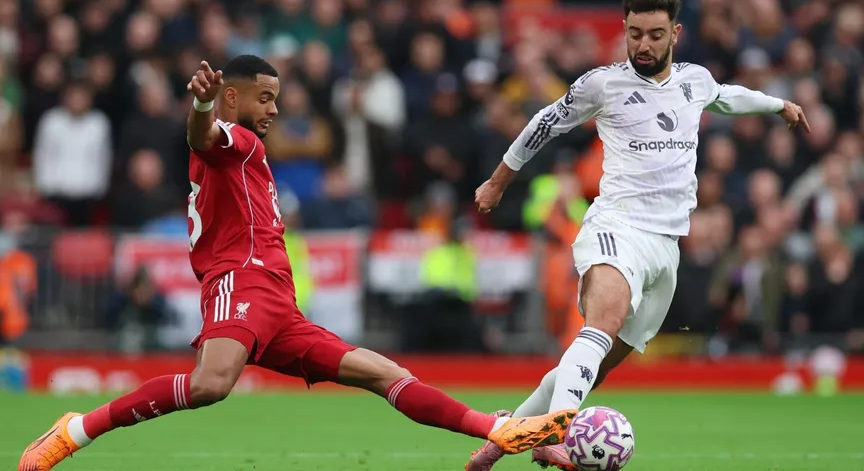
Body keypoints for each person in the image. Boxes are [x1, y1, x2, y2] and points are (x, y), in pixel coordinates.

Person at [19, 55, 573, 471]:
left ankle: (495, 428)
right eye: (265, 98)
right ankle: (75, 430)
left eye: (276, 98)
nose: (275, 109)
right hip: (239, 281)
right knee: (211, 384)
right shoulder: (233, 139)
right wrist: (203, 106)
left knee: (385, 373)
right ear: (232, 98)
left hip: (278, 305)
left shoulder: (246, 149)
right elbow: (202, 134)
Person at [466, 0, 810, 470]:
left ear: (675, 33)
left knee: (594, 366)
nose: (643, 45)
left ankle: (498, 443)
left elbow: (727, 97)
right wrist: (498, 181)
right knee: (601, 324)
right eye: (634, 34)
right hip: (618, 226)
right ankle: (559, 429)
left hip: (666, 247)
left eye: (654, 35)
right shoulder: (602, 84)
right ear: (624, 30)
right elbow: (544, 122)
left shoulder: (694, 81)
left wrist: (778, 105)